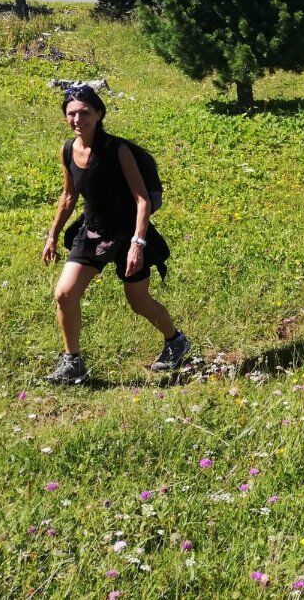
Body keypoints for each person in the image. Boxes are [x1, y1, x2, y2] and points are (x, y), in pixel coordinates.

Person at [41, 85, 189, 385]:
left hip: (127, 234)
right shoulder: (68, 150)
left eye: (84, 112)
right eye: (71, 114)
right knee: (64, 294)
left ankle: (176, 341)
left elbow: (142, 200)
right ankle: (74, 363)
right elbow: (69, 196)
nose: (77, 119)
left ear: (98, 114)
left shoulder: (117, 150)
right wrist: (53, 235)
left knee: (139, 301)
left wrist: (138, 243)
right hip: (92, 230)